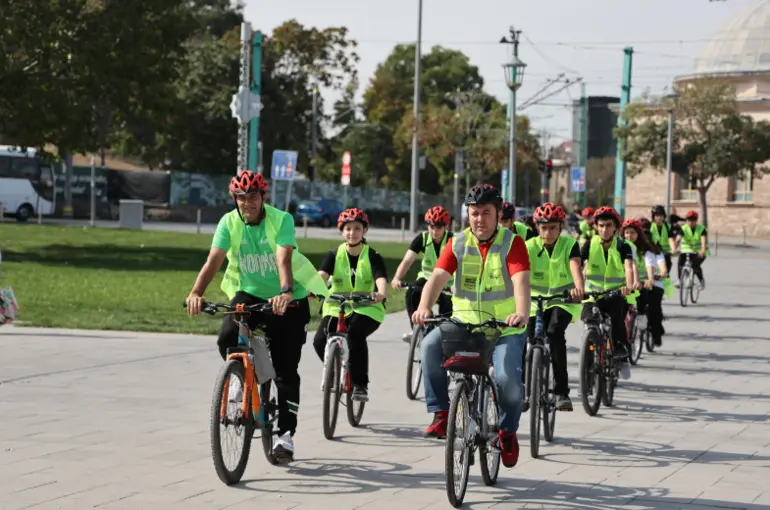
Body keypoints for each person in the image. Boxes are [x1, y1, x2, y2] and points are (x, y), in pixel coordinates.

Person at [185, 170, 330, 463]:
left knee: (286, 370)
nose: (247, 203)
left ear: (264, 197)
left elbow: (283, 257)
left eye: (253, 197)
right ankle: (240, 377)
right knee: (227, 337)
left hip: (288, 299)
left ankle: (285, 436)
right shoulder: (228, 222)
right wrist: (196, 292)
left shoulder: (282, 220)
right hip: (249, 294)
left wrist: (286, 291)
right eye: (241, 197)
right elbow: (214, 259)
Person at [412, 184, 531, 469]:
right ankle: (441, 414)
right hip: (464, 323)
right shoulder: (458, 243)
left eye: (486, 213)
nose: (479, 219)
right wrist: (424, 305)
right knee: (428, 346)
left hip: (504, 327)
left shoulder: (512, 243)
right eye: (474, 213)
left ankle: (507, 431)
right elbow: (438, 277)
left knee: (507, 381)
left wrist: (521, 312)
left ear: (498, 214)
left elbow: (521, 281)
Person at [314, 208, 388, 402]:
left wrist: (380, 293)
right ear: (341, 231)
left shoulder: (372, 255)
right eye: (347, 228)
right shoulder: (333, 254)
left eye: (357, 228)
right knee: (319, 340)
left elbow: (380, 277)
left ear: (364, 231)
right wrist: (313, 289)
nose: (352, 233)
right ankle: (334, 369)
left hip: (367, 307)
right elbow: (321, 275)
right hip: (337, 305)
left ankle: (360, 385)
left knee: (355, 335)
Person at [525, 203, 584, 412]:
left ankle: (561, 393)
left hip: (563, 300)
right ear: (537, 227)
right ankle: (526, 388)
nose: (547, 232)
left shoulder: (569, 244)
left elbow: (575, 267)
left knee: (554, 334)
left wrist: (578, 288)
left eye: (552, 227)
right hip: (533, 302)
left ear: (560, 227)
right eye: (543, 228)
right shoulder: (529, 245)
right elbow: (517, 272)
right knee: (529, 340)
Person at [580, 206, 634, 377]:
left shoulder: (622, 246)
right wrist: (575, 285)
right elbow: (576, 264)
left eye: (608, 225)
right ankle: (586, 374)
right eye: (601, 225)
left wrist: (629, 285)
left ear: (616, 227)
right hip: (592, 295)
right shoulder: (589, 244)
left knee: (618, 320)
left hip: (615, 294)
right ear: (596, 226)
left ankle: (622, 356)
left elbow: (629, 267)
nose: (604, 229)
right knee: (590, 324)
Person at [391, 206, 454, 339]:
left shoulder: (452, 240)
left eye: (439, 227)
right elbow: (407, 260)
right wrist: (397, 277)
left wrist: (457, 287)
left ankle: (443, 335)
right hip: (427, 278)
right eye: (431, 227)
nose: (435, 231)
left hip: (448, 281)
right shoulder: (423, 238)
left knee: (447, 309)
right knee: (412, 293)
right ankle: (417, 330)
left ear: (445, 227)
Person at [622, 219, 667, 346]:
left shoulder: (648, 250)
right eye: (627, 233)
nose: (629, 236)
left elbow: (650, 264)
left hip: (649, 283)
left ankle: (655, 332)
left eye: (633, 233)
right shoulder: (620, 247)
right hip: (629, 283)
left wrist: (651, 278)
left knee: (654, 307)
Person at [675, 210, 708, 290]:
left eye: (692, 220)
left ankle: (701, 280)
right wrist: (675, 247)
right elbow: (678, 238)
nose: (690, 222)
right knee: (680, 262)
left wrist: (702, 251)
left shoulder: (701, 229)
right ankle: (679, 280)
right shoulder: (683, 228)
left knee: (695, 265)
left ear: (696, 220)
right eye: (688, 220)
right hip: (686, 250)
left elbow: (703, 242)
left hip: (698, 251)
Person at [650, 205, 676, 274]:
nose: (659, 218)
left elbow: (671, 239)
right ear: (653, 217)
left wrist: (673, 249)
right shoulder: (650, 226)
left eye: (661, 216)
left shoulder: (667, 227)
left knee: (667, 268)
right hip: (653, 253)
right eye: (657, 216)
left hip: (665, 253)